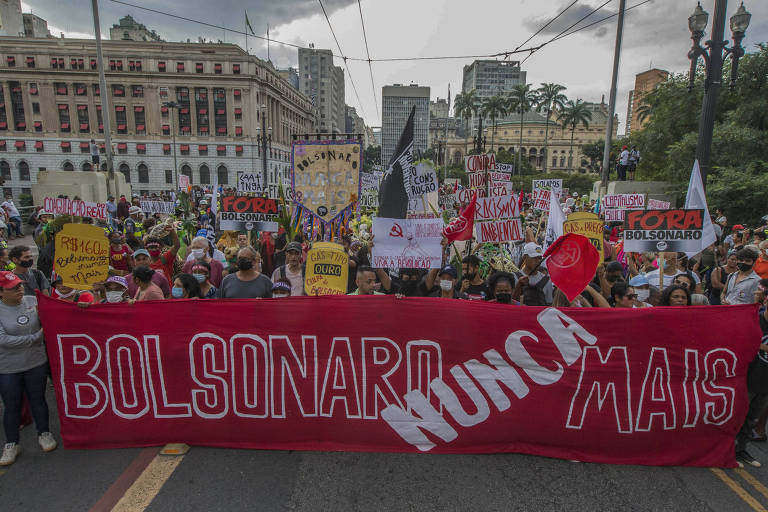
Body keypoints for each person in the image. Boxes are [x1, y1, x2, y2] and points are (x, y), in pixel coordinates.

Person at [0, 271, 56, 466]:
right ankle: (12, 443)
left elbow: (51, 316)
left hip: (35, 362)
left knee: (38, 400)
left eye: (19, 285)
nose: (19, 289)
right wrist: (35, 338)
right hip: (8, 367)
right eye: (13, 288)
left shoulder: (33, 301)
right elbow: (3, 340)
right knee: (12, 405)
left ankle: (44, 433)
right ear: (1, 292)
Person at [735, 284, 768, 468]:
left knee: (752, 419)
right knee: (737, 417)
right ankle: (727, 450)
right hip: (747, 380)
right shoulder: (754, 320)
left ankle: (742, 450)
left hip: (765, 384)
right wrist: (758, 345)